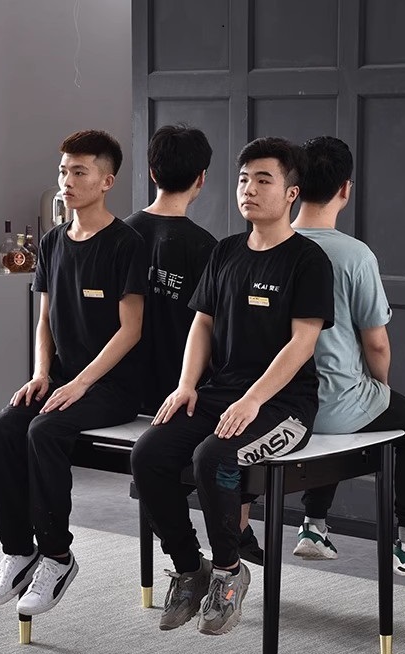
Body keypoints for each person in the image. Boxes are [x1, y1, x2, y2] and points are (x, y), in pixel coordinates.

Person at [131, 137, 334, 634]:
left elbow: (302, 343)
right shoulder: (224, 252)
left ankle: (228, 572)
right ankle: (188, 567)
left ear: (291, 193)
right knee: (148, 454)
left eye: (263, 180)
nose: (249, 189)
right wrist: (186, 385)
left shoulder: (307, 260)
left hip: (283, 406)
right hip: (220, 393)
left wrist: (252, 400)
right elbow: (202, 323)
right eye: (244, 179)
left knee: (213, 458)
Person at [0, 130, 148, 616]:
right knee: (2, 428)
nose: (66, 181)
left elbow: (131, 330)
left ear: (106, 181)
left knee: (45, 430)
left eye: (79, 172)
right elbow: (45, 320)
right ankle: (18, 551)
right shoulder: (53, 242)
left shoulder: (127, 244)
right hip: (60, 380)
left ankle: (57, 557)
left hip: (112, 386)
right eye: (63, 171)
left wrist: (80, 383)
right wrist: (41, 374)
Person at [290, 135, 405, 575]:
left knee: (336, 401)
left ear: (295, 185)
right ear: (345, 188)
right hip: (336, 406)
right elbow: (376, 343)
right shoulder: (354, 255)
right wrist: (379, 385)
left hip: (283, 407)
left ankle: (313, 525)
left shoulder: (273, 245)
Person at [125, 124, 263, 565]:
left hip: (128, 391)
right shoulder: (209, 248)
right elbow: (217, 334)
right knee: (232, 427)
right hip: (185, 397)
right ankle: (237, 530)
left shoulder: (119, 236)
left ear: (152, 172)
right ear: (202, 178)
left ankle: (200, 554)